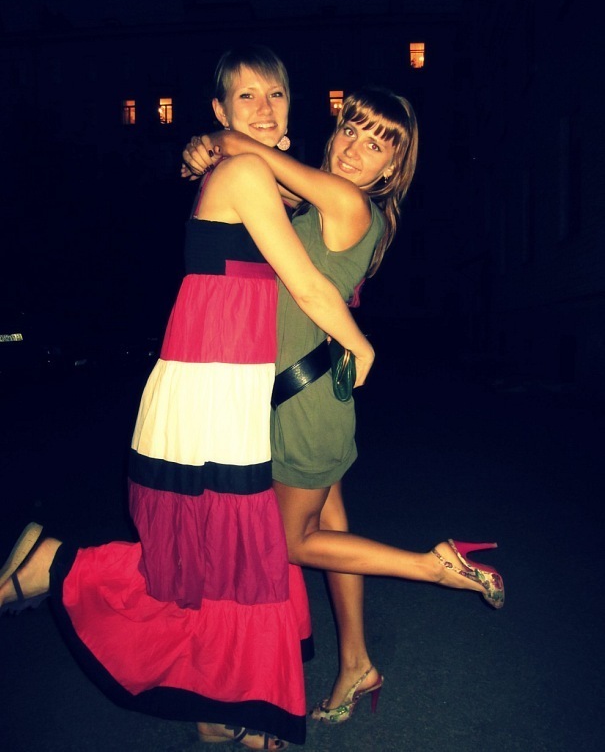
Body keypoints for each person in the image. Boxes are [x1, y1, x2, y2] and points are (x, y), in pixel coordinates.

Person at [0, 46, 376, 751]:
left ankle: (213, 702)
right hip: (212, 378)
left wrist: (212, 143)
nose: (263, 108)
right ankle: (57, 565)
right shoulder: (246, 175)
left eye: (275, 95)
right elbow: (305, 284)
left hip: (233, 374)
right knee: (240, 549)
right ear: (220, 109)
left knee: (218, 554)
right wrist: (360, 344)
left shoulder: (265, 177)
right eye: (245, 97)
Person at [181, 84, 505, 725]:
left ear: (393, 168)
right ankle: (356, 662)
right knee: (330, 532)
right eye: (352, 130)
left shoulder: (348, 201)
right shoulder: (324, 200)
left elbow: (244, 150)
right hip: (311, 393)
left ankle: (434, 566)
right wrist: (213, 153)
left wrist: (214, 140)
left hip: (305, 407)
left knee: (292, 542)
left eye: (379, 144)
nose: (358, 149)